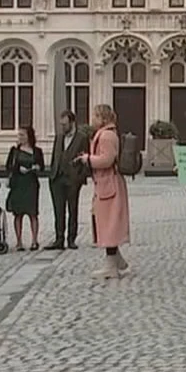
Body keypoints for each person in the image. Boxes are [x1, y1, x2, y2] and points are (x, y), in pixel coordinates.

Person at [77, 104, 132, 279]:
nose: (92, 120)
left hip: (109, 184)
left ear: (102, 118)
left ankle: (111, 266)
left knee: (109, 224)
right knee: (106, 222)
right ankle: (117, 260)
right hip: (106, 183)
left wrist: (88, 159)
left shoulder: (107, 136)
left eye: (94, 116)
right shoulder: (107, 134)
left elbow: (107, 160)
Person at [47, 110, 91, 250]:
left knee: (73, 209)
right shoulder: (59, 137)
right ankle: (59, 238)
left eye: (65, 124)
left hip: (73, 179)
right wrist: (53, 172)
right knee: (58, 210)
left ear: (72, 123)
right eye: (61, 124)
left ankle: (71, 239)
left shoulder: (82, 138)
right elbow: (55, 156)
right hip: (57, 178)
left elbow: (86, 159)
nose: (63, 127)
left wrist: (80, 178)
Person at [5, 125, 44, 250]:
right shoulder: (14, 151)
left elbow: (42, 166)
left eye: (22, 135)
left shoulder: (37, 151)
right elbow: (8, 166)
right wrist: (17, 169)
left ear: (29, 136)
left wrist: (36, 167)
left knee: (33, 213)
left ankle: (34, 240)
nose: (20, 137)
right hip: (18, 183)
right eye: (19, 135)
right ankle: (19, 241)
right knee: (18, 214)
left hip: (31, 183)